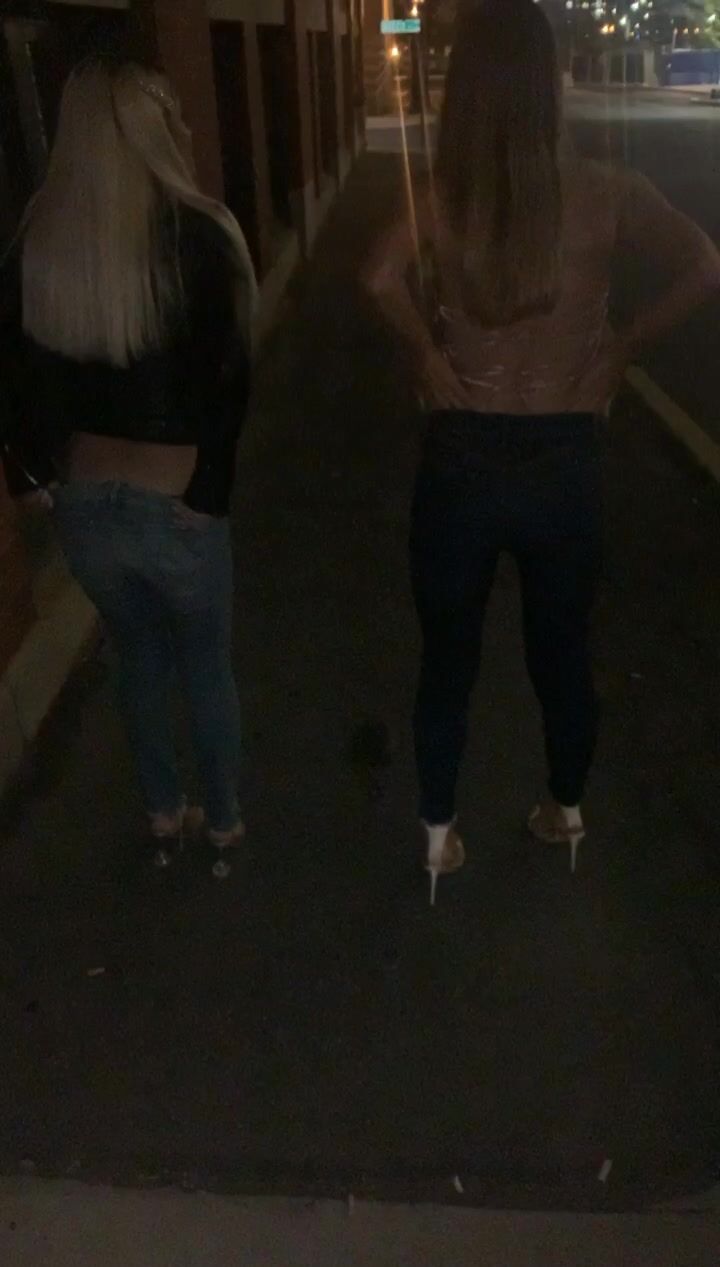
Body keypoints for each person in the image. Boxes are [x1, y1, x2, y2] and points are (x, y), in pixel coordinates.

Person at [364, 0, 720, 903]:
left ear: (468, 94)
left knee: (448, 658)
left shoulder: (448, 197)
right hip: (564, 455)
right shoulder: (606, 191)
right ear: (548, 84)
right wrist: (623, 346)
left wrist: (427, 354)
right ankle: (565, 811)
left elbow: (377, 274)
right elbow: (704, 264)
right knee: (560, 653)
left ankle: (438, 835)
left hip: (463, 453)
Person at [0, 57, 257, 877]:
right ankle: (223, 822)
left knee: (139, 660)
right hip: (174, 497)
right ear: (152, 130)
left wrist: (31, 475)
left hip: (85, 506)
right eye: (174, 114)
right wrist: (208, 492)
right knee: (204, 665)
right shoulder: (200, 234)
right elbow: (229, 381)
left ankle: (161, 813)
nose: (186, 126)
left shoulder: (41, 242)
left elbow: (10, 375)